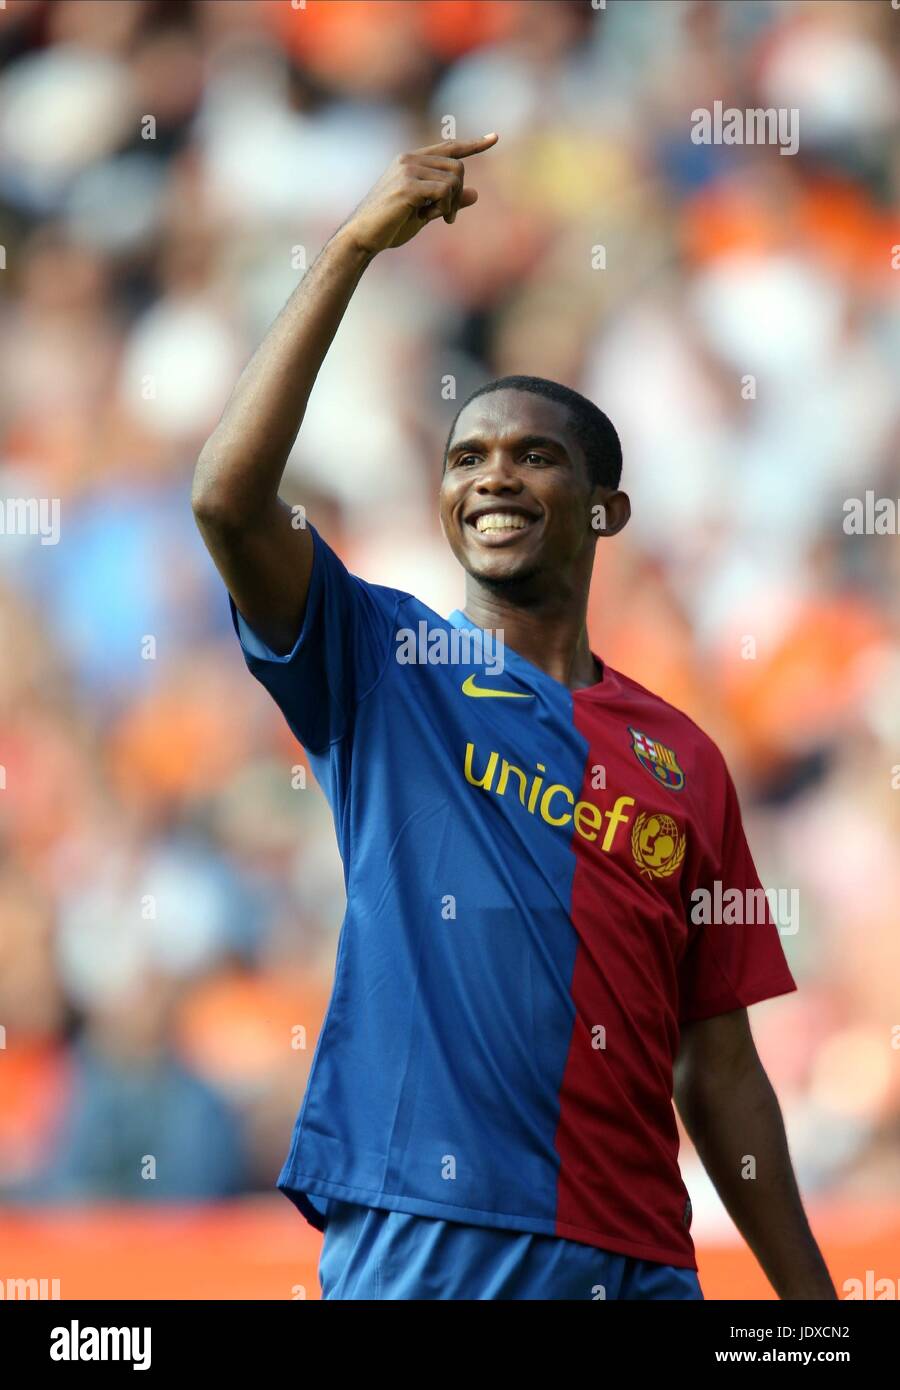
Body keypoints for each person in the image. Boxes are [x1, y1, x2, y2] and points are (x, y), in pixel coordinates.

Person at [192, 134, 836, 1300]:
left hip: (638, 1257)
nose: (491, 474)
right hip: (433, 1236)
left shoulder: (684, 758)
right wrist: (350, 247)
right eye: (467, 456)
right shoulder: (387, 662)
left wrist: (815, 1314)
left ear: (606, 509)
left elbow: (722, 1065)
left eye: (533, 456)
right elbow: (228, 499)